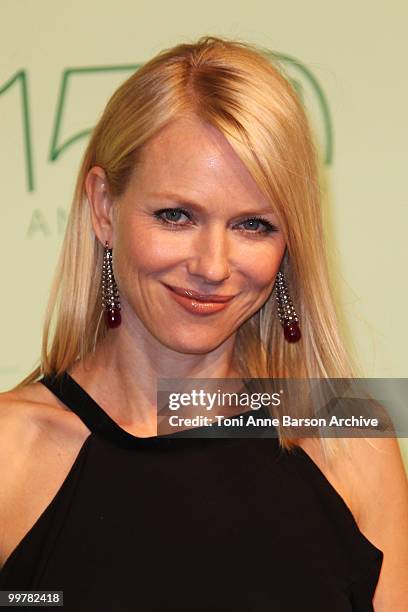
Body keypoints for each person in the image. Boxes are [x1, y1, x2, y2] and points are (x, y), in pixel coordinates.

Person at [0, 35, 407, 611]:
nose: (212, 267)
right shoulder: (8, 453)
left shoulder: (349, 443)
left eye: (254, 226)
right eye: (176, 215)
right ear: (103, 208)